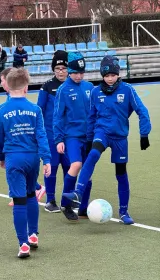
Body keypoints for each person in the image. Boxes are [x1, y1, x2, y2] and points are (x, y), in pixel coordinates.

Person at [62, 55, 151, 225]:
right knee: (93, 154)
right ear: (102, 75)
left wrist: (144, 134)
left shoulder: (127, 90)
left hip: (119, 138)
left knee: (121, 173)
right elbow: (91, 117)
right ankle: (78, 193)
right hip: (101, 132)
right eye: (106, 75)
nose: (110, 78)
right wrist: (89, 139)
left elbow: (142, 111)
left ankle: (124, 212)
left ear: (118, 74)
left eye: (113, 75)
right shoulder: (96, 92)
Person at [0, 67, 51, 258]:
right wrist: (47, 159)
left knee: (18, 200)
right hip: (33, 158)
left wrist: (1, 156)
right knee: (30, 195)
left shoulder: (2, 110)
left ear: (7, 86)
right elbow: (41, 135)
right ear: (26, 88)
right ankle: (33, 234)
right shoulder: (35, 110)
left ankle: (23, 244)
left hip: (14, 158)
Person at [0, 67, 46, 207]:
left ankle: (35, 189)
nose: (1, 84)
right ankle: (32, 227)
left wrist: (1, 154)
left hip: (17, 151)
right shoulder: (7, 104)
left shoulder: (8, 105)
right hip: (26, 153)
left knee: (19, 172)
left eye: (2, 80)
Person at [53, 51, 94, 222]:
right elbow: (57, 116)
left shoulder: (89, 87)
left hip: (88, 137)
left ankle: (83, 208)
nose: (79, 76)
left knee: (87, 173)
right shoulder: (63, 90)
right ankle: (65, 203)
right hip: (72, 137)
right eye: (76, 72)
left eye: (81, 73)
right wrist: (59, 139)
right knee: (76, 164)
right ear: (69, 71)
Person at [37, 50, 70, 213]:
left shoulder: (73, 85)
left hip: (70, 134)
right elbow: (39, 111)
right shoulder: (47, 87)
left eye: (64, 68)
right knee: (53, 166)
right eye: (58, 69)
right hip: (51, 135)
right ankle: (50, 200)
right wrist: (39, 134)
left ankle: (67, 199)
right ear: (53, 70)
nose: (61, 72)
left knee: (69, 166)